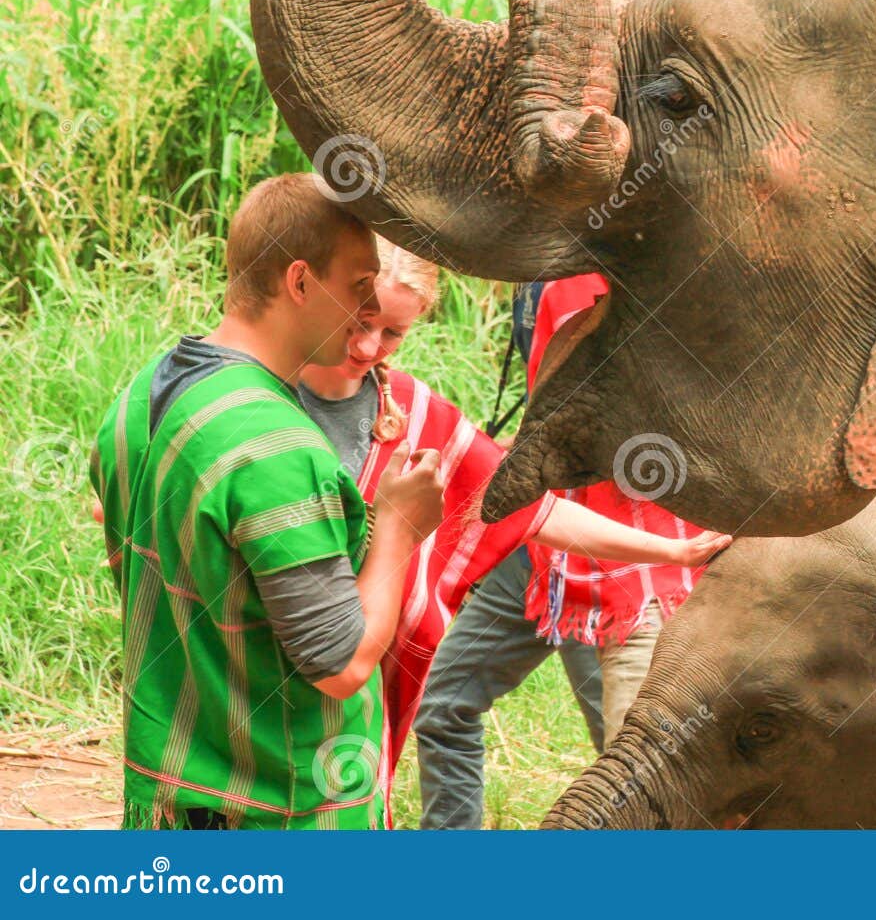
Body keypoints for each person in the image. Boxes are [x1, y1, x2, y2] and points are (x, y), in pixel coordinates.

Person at [296, 241, 730, 827]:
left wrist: (671, 549)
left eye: (392, 334)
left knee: (636, 765)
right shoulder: (264, 400)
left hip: (608, 572)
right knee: (447, 706)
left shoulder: (417, 413)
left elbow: (540, 506)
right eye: (359, 324)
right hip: (527, 546)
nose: (370, 348)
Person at [91, 174, 446, 829]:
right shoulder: (278, 449)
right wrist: (398, 526)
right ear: (301, 282)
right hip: (280, 813)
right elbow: (340, 662)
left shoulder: (139, 398)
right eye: (359, 285)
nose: (370, 312)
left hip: (167, 805)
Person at [413, 273, 713, 829]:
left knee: (636, 770)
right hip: (547, 549)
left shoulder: (626, 280)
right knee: (444, 705)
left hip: (633, 567)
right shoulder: (547, 282)